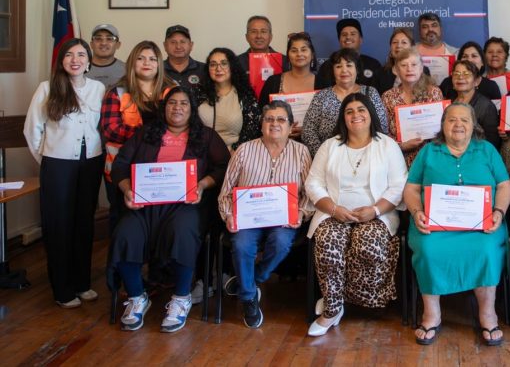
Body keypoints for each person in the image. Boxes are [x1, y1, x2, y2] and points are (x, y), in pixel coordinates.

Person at [109, 87, 229, 332]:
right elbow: (120, 165)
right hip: (145, 203)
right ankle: (136, 297)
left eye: (184, 103)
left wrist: (202, 186)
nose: (177, 108)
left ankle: (181, 298)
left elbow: (223, 166)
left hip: (185, 205)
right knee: (125, 233)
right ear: (164, 108)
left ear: (191, 109)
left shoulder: (206, 136)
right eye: (172, 103)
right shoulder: (146, 134)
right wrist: (127, 190)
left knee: (184, 231)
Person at [403, 102, 510, 346]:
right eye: (452, 120)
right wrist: (417, 211)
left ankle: (487, 313)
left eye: (464, 119)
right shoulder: (429, 151)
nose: (458, 124)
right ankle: (432, 313)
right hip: (434, 223)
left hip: (483, 223)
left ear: (474, 125)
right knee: (429, 250)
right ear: (443, 125)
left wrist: (499, 211)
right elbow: (411, 188)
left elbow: (504, 185)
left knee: (486, 250)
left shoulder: (487, 150)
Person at [305, 93, 407, 336]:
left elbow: (399, 185)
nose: (356, 115)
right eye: (349, 111)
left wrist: (374, 210)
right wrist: (333, 209)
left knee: (366, 244)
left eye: (361, 109)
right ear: (343, 117)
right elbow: (313, 183)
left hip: (377, 213)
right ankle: (331, 308)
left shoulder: (387, 144)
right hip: (334, 212)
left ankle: (351, 299)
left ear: (371, 113)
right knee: (329, 241)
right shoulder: (330, 145)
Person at [23, 38, 105, 308]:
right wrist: (48, 160)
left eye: (81, 55)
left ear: (88, 61)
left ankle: (82, 283)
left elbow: (100, 129)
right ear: (61, 61)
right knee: (59, 226)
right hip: (57, 164)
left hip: (91, 163)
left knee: (83, 223)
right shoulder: (47, 88)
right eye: (69, 55)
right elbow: (32, 130)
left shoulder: (98, 88)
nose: (75, 60)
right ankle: (62, 289)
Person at [217, 100, 313, 329]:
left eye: (281, 119)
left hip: (284, 220)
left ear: (291, 126)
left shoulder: (301, 152)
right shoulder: (244, 150)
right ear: (261, 125)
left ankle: (250, 280)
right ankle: (249, 297)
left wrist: (301, 213)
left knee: (281, 243)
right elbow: (226, 191)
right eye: (269, 119)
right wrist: (228, 214)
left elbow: (310, 191)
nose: (275, 124)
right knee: (241, 245)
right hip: (248, 219)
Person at [101, 41, 176, 233]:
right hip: (123, 169)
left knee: (160, 223)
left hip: (163, 169)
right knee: (123, 223)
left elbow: (184, 125)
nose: (147, 63)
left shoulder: (172, 90)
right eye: (141, 58)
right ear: (132, 62)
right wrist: (148, 135)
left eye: (152, 59)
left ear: (159, 63)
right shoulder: (117, 91)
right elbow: (110, 129)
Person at [302, 48, 389, 157]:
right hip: (329, 158)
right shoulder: (321, 96)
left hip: (368, 156)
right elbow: (308, 131)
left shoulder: (370, 93)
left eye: (349, 65)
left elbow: (382, 127)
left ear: (357, 69)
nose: (344, 70)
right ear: (333, 71)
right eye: (338, 66)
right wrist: (324, 156)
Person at [382, 47, 443, 166]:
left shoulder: (434, 93)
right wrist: (402, 146)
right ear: (397, 70)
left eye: (414, 64)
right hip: (397, 159)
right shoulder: (388, 97)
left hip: (431, 158)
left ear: (421, 69)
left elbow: (441, 128)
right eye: (404, 65)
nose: (409, 69)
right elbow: (383, 132)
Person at [196, 47, 262, 152]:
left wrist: (234, 151)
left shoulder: (244, 93)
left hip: (236, 153)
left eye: (224, 63)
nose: (218, 68)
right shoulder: (198, 92)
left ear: (232, 66)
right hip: (203, 153)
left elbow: (252, 130)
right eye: (213, 64)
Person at [259, 32, 318, 138]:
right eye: (294, 50)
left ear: (312, 54)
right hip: (276, 142)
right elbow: (261, 115)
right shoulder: (273, 82)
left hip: (312, 144)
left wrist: (306, 131)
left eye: (304, 50)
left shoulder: (322, 82)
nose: (299, 54)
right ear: (288, 55)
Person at [446, 59, 500, 149]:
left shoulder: (486, 106)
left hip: (477, 154)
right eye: (456, 74)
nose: (460, 77)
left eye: (466, 74)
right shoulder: (448, 103)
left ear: (476, 81)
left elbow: (492, 142)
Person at [316, 19, 382, 89]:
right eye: (344, 35)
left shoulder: (374, 64)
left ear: (360, 40)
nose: (348, 37)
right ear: (339, 40)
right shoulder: (327, 66)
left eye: (353, 34)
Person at [375, 27, 416, 93]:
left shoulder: (423, 71)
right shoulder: (380, 74)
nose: (398, 45)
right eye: (395, 42)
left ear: (412, 47)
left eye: (404, 42)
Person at [163, 25, 204, 89]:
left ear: (191, 45)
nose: (178, 46)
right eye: (173, 42)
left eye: (183, 42)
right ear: (165, 45)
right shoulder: (156, 70)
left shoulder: (205, 70)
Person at [88, 24, 125, 89]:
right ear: (91, 44)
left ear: (118, 44)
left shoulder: (127, 70)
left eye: (109, 39)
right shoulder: (79, 69)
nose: (103, 43)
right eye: (98, 38)